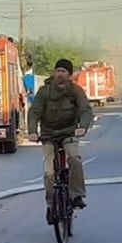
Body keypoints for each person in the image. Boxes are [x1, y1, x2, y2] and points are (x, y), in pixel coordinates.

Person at [27, 58, 93, 224]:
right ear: (54, 73)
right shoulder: (44, 92)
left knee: (74, 159)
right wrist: (33, 131)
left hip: (69, 133)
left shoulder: (75, 91)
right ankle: (51, 206)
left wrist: (83, 127)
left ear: (69, 75)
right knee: (49, 172)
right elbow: (34, 112)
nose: (60, 74)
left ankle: (77, 195)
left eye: (64, 71)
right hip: (48, 135)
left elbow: (86, 110)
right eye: (58, 71)